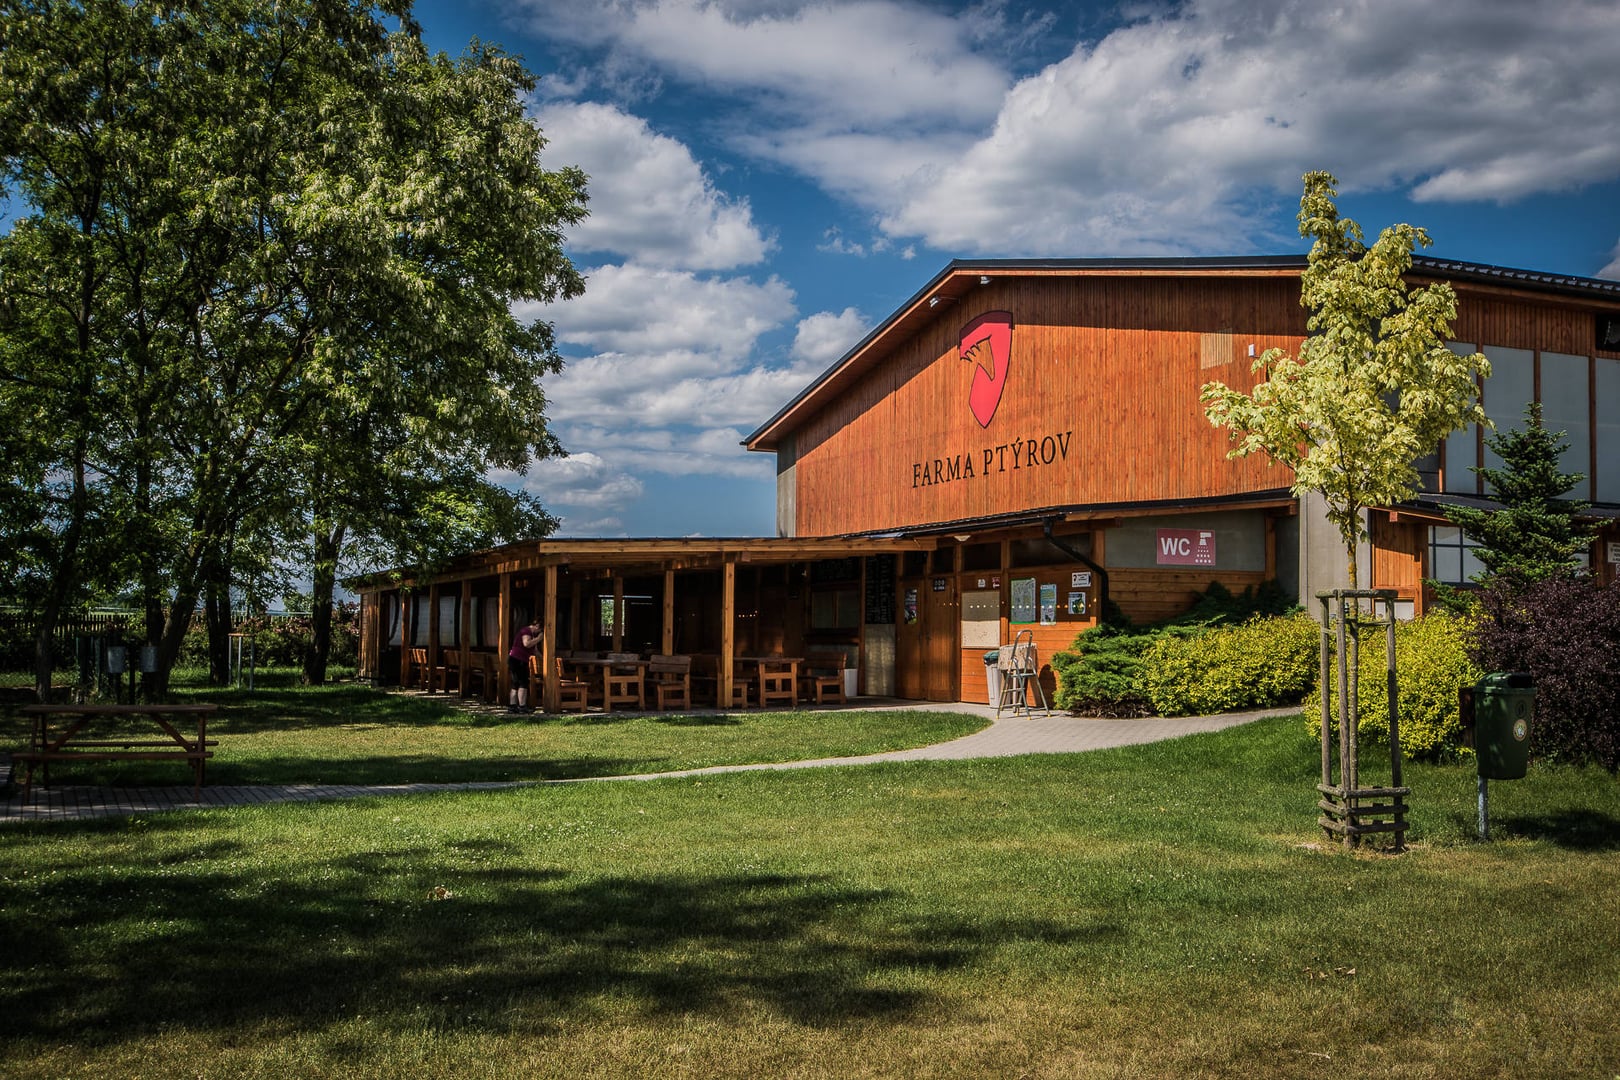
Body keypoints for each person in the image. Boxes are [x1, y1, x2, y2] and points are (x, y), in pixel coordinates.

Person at [507, 621, 541, 713]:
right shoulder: (526, 631)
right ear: (536, 625)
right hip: (518, 660)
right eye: (540, 629)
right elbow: (526, 643)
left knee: (516, 683)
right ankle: (522, 706)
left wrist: (543, 658)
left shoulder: (531, 634)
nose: (539, 632)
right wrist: (538, 639)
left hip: (515, 659)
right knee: (523, 682)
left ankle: (512, 706)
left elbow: (534, 651)